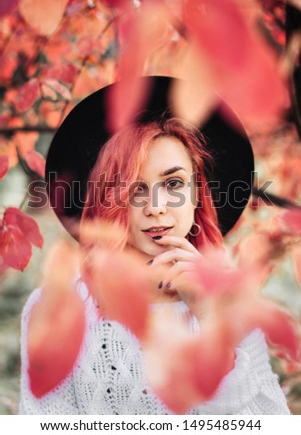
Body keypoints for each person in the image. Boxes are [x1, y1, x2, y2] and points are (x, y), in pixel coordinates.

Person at [19, 76, 290, 414]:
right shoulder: (58, 308)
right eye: (135, 188)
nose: (156, 207)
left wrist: (209, 319)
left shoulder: (233, 307)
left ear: (197, 194)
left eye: (173, 183)